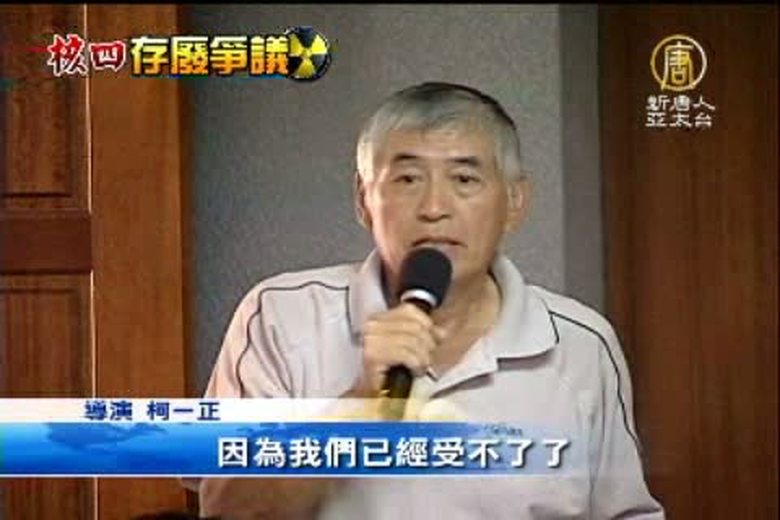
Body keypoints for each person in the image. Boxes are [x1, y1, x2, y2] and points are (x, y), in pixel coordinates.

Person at [197, 82, 665, 519]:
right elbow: (224, 507)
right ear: (363, 200)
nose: (434, 208)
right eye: (407, 179)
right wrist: (358, 405)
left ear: (515, 202)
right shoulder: (279, 318)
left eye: (464, 179)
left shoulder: (581, 344)